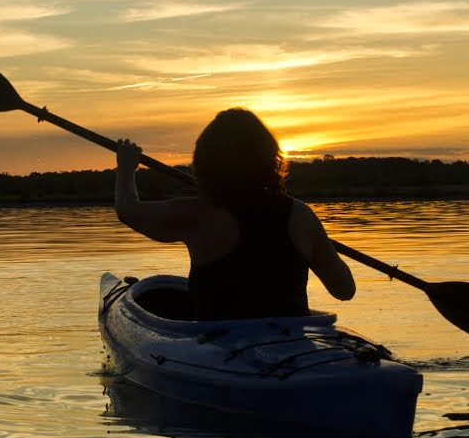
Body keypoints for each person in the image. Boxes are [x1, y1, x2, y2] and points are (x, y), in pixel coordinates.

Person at [114, 107, 355, 320]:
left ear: (205, 162)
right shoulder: (300, 215)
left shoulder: (198, 214)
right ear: (270, 160)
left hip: (221, 353)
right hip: (293, 348)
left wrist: (125, 168)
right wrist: (318, 246)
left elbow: (127, 209)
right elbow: (344, 289)